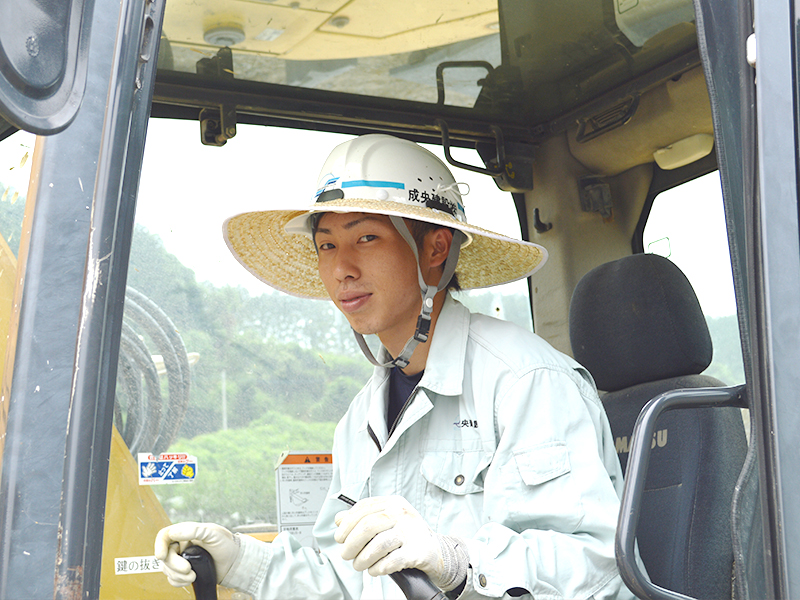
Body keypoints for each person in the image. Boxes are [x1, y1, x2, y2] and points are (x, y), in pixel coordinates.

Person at [154, 134, 635, 600]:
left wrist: (456, 562)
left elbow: (593, 568)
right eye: (326, 246)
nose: (342, 268)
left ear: (435, 250)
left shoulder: (524, 381)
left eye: (366, 237)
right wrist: (239, 560)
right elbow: (349, 582)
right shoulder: (362, 419)